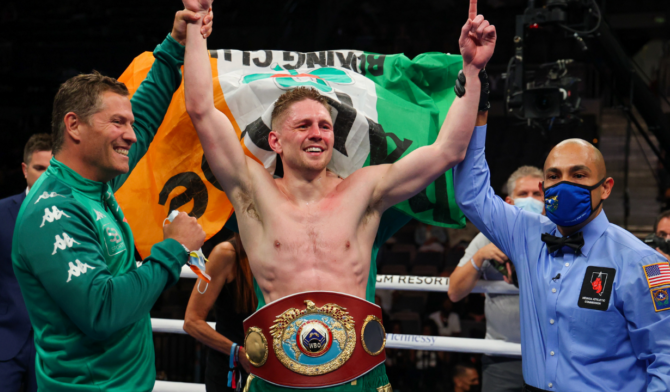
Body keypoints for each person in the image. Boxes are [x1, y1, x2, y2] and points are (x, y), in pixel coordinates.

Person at [182, 0, 496, 389]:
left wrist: (473, 69)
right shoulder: (252, 190)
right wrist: (196, 24)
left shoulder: (366, 189)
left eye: (325, 126)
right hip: (276, 376)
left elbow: (448, 150)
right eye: (303, 125)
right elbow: (200, 110)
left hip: (359, 376)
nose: (317, 133)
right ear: (275, 140)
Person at [10, 10, 212, 392]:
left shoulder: (94, 180)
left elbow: (148, 119)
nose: (131, 136)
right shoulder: (53, 211)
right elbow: (102, 311)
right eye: (117, 123)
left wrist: (175, 46)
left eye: (128, 123)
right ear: (74, 126)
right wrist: (174, 249)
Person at [454, 109, 670, 390]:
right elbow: (471, 195)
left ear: (605, 188)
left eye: (579, 175)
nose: (565, 184)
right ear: (545, 189)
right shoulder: (527, 235)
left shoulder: (641, 262)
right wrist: (476, 115)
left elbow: (664, 361)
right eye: (555, 176)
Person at [448, 166, 544, 392]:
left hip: (548, 356)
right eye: (523, 194)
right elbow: (454, 291)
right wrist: (481, 257)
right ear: (509, 202)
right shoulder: (488, 237)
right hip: (501, 358)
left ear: (548, 200)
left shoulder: (562, 237)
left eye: (537, 194)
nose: (531, 199)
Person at [0, 133, 52, 391]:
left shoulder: (72, 218)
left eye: (52, 170)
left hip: (52, 348)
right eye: (39, 168)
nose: (45, 176)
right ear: (24, 169)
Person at [184, 234, 256, 392]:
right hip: (231, 371)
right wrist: (238, 353)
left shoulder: (281, 253)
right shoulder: (226, 253)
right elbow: (192, 322)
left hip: (271, 369)